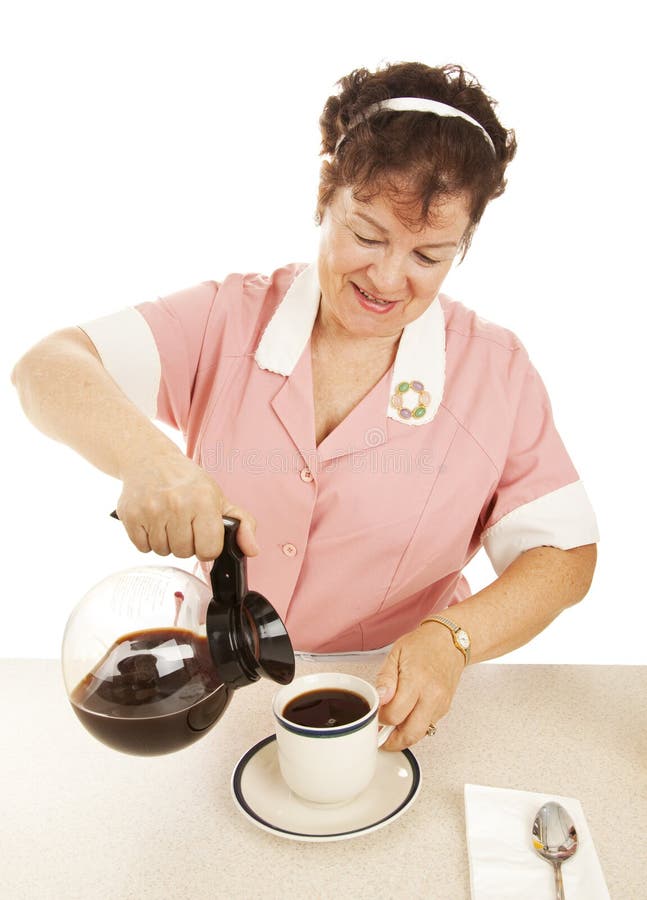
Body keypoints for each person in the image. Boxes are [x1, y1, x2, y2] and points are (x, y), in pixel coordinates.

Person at [11, 61, 599, 750]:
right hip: (218, 691)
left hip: (392, 697)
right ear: (326, 195)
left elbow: (563, 557)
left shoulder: (492, 372)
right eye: (367, 235)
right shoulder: (227, 318)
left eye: (428, 256)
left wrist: (453, 638)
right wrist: (148, 458)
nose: (386, 278)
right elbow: (44, 368)